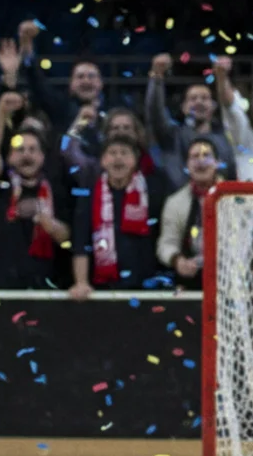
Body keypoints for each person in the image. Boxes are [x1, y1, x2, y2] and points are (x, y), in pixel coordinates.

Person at [0, 92, 72, 290]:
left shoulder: (56, 188)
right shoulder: (0, 183)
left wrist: (50, 224)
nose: (26, 155)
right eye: (20, 150)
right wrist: (1, 113)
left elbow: (67, 237)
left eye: (32, 150)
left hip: (47, 286)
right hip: (2, 285)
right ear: (9, 157)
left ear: (43, 156)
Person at [70, 136, 168, 299]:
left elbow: (162, 236)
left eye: (124, 153)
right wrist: (81, 282)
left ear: (135, 161)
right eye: (112, 153)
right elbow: (81, 241)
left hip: (147, 287)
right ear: (103, 161)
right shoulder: (90, 195)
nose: (118, 158)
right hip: (103, 288)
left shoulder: (152, 192)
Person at [145, 53, 235, 188]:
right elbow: (154, 111)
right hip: (181, 200)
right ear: (184, 108)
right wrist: (156, 76)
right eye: (193, 99)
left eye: (204, 98)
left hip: (219, 198)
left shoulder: (225, 138)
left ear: (213, 106)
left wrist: (223, 77)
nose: (199, 102)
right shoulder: (172, 136)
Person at [158, 137, 222, 289]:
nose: (201, 161)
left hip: (227, 278)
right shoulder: (175, 202)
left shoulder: (235, 198)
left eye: (206, 155)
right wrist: (177, 260)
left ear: (217, 163)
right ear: (187, 165)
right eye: (195, 157)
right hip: (190, 281)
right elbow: (166, 243)